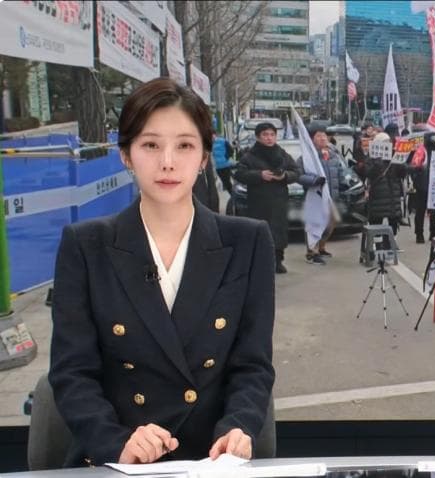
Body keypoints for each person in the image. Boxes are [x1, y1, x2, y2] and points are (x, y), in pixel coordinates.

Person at [48, 77, 275, 467]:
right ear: (126, 154)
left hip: (211, 459)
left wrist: (238, 428)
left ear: (204, 157)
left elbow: (252, 365)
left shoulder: (248, 241)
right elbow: (72, 372)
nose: (168, 162)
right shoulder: (86, 245)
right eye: (150, 145)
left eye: (184, 145)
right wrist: (116, 442)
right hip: (121, 460)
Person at [234, 122, 301, 274]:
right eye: (265, 135)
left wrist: (285, 176)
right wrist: (260, 175)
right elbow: (239, 174)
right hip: (259, 202)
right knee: (261, 233)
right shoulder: (250, 156)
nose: (269, 138)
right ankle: (260, 262)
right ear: (258, 137)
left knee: (279, 232)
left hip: (279, 201)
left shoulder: (282, 154)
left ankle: (278, 261)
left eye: (272, 134)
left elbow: (296, 172)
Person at [297, 124, 347, 265]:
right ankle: (311, 253)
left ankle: (321, 247)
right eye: (318, 136)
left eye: (324, 135)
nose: (323, 138)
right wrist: (313, 181)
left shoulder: (332, 155)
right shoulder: (306, 158)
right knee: (314, 224)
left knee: (331, 222)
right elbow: (298, 176)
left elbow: (340, 172)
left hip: (331, 197)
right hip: (315, 197)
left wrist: (343, 184)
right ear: (312, 139)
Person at [364, 133, 405, 234]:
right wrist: (377, 163)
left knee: (393, 226)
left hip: (392, 196)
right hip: (378, 196)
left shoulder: (394, 156)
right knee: (376, 226)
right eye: (384, 142)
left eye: (388, 142)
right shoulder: (371, 157)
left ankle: (391, 241)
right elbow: (368, 173)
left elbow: (401, 174)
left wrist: (402, 165)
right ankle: (377, 241)